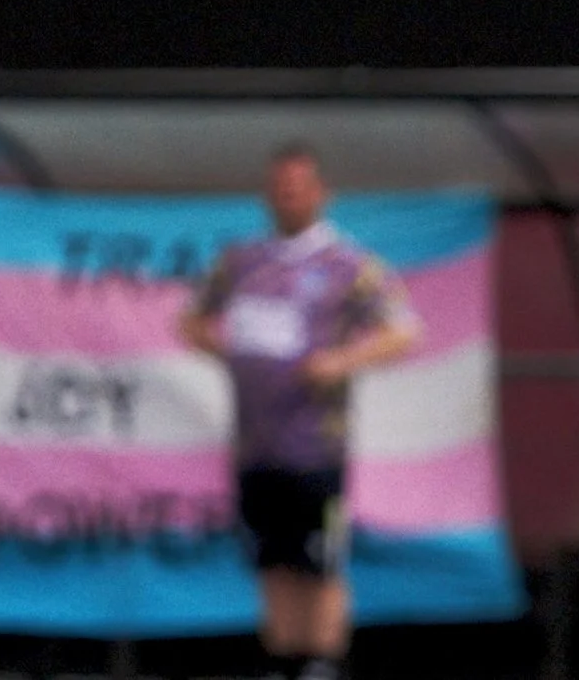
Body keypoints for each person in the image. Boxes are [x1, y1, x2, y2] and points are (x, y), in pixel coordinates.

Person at [178, 144, 420, 680]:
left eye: (296, 189)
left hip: (316, 446)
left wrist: (339, 362)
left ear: (319, 193)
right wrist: (233, 352)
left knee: (320, 563)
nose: (286, 199)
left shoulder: (348, 265)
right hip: (256, 444)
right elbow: (191, 320)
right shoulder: (242, 261)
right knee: (273, 562)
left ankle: (322, 661)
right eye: (278, 190)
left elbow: (403, 331)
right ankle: (281, 660)